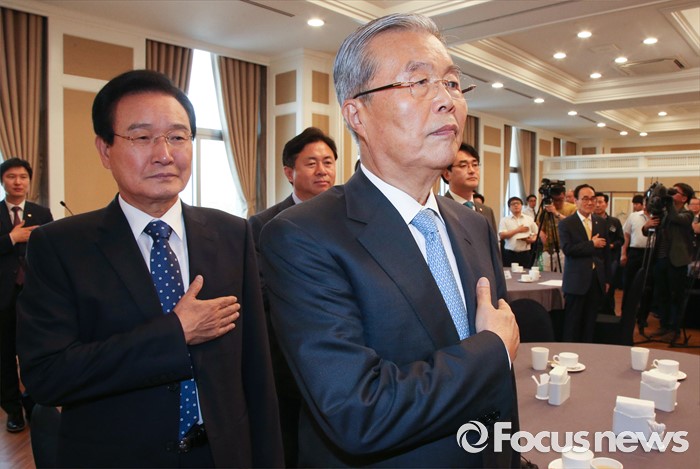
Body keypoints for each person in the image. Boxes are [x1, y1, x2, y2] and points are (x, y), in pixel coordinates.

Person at [260, 13, 519, 468]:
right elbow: (358, 412)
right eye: (418, 82)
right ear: (356, 114)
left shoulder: (473, 224)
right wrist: (492, 350)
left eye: (453, 83)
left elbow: (499, 393)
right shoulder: (303, 235)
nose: (447, 101)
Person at [16, 70, 283, 467]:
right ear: (105, 150)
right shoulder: (60, 246)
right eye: (142, 138)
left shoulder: (232, 233)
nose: (164, 154)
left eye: (177, 137)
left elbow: (257, 371)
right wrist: (175, 332)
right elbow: (47, 376)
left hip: (223, 454)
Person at [249, 126, 337, 467]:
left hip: (342, 361)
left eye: (328, 162)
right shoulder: (263, 225)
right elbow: (260, 293)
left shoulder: (349, 220)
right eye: (311, 163)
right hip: (286, 362)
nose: (322, 170)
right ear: (290, 172)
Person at [0, 158, 53, 433]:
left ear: (29, 181)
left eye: (23, 176)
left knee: (34, 350)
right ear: (3, 181)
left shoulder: (41, 213)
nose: (18, 182)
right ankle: (13, 410)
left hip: (34, 296)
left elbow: (51, 251)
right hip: (3, 296)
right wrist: (12, 238)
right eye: (11, 176)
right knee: (5, 355)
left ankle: (34, 404)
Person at [642, 183, 695, 339]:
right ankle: (664, 326)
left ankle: (674, 329)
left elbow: (675, 218)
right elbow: (649, 230)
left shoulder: (688, 214)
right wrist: (646, 226)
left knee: (675, 296)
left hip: (677, 261)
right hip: (660, 258)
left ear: (684, 198)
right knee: (661, 295)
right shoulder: (664, 213)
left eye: (675, 192)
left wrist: (668, 201)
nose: (671, 194)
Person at [559, 184, 608, 343]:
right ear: (576, 201)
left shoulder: (601, 222)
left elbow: (605, 253)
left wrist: (607, 279)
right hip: (576, 281)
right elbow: (568, 249)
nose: (590, 202)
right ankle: (568, 352)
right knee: (572, 323)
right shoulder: (567, 223)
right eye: (585, 199)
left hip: (596, 280)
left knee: (590, 322)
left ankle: (588, 350)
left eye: (592, 199)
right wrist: (591, 244)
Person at [442, 143, 498, 233]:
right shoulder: (440, 209)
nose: (472, 170)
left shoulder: (487, 211)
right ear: (447, 174)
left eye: (475, 165)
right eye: (463, 165)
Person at [594, 192, 624, 315]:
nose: (597, 205)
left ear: (606, 204)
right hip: (595, 259)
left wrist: (611, 245)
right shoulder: (590, 221)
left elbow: (621, 240)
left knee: (609, 286)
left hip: (611, 259)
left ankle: (610, 313)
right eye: (595, 202)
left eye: (600, 202)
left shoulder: (614, 222)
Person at [620, 202, 653, 312]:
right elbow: (626, 235)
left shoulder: (660, 217)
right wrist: (623, 253)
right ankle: (625, 312)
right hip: (635, 252)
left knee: (648, 286)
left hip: (652, 252)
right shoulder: (634, 216)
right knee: (629, 283)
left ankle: (643, 315)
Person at [536, 185, 576, 271]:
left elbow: (572, 224)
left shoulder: (572, 208)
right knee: (544, 274)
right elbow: (539, 225)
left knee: (562, 274)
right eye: (555, 200)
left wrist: (555, 212)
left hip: (564, 248)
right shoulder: (546, 209)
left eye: (560, 199)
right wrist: (541, 234)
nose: (557, 202)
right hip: (548, 248)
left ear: (564, 196)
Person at [498, 196, 537, 268]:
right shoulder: (504, 220)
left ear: (521, 206)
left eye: (518, 203)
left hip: (525, 253)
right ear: (509, 207)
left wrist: (532, 240)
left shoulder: (529, 219)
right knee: (510, 273)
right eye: (513, 204)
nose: (516, 205)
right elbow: (502, 235)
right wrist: (518, 230)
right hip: (510, 253)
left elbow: (536, 233)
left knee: (526, 273)